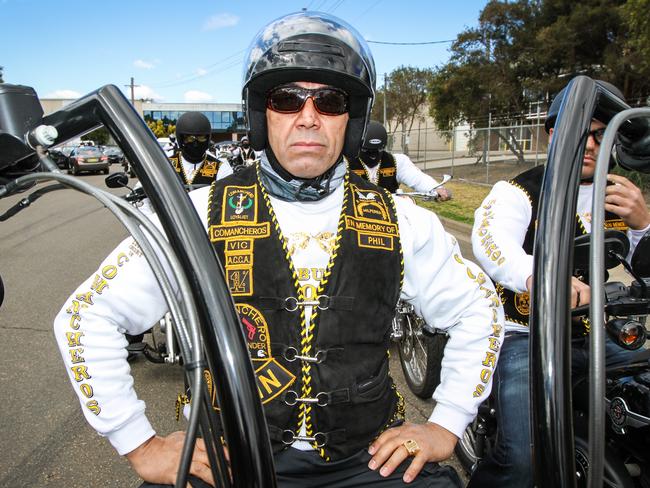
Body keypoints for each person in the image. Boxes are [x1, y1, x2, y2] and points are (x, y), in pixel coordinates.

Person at [53, 11, 503, 487]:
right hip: (233, 456)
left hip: (369, 461)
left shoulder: (403, 220)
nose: (308, 118)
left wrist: (446, 422)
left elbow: (478, 309)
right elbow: (86, 315)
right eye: (287, 100)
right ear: (261, 114)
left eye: (329, 102)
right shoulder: (196, 215)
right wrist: (139, 443)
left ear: (350, 119)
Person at [468, 79, 650, 488]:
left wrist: (644, 224)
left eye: (601, 135)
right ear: (555, 134)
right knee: (523, 458)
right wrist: (541, 276)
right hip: (525, 338)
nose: (589, 145)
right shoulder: (518, 191)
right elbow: (491, 242)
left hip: (596, 334)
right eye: (581, 134)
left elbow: (643, 267)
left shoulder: (620, 194)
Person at [348, 120, 451, 200]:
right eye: (367, 150)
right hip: (354, 217)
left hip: (390, 215)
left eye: (378, 150)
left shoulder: (397, 162)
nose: (373, 155)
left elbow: (417, 178)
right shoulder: (344, 163)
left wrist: (436, 189)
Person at [168, 111, 220, 186]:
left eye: (201, 138)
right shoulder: (167, 165)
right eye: (190, 138)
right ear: (181, 139)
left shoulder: (220, 167)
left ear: (208, 138)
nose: (195, 144)